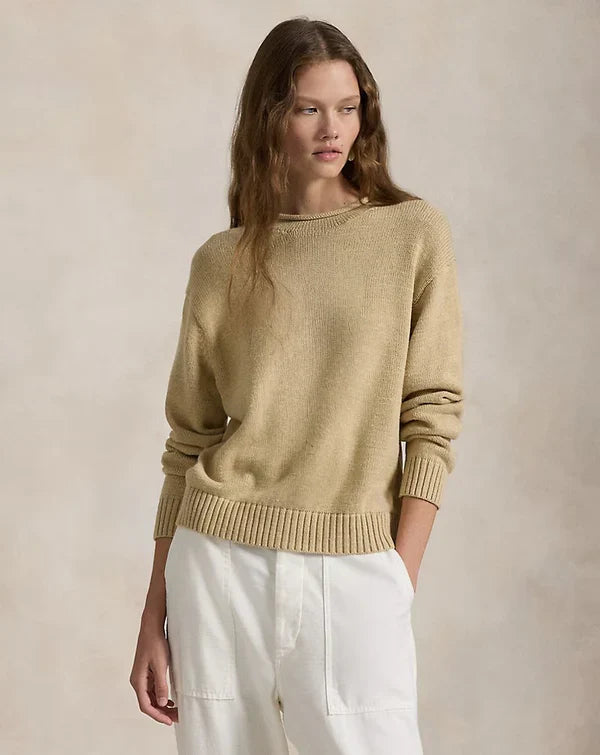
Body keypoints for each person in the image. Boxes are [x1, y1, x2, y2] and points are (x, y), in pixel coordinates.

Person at [130, 16, 464, 755]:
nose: (331, 128)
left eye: (347, 107)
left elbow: (432, 415)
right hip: (218, 564)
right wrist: (155, 613)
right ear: (269, 117)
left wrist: (397, 578)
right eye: (308, 108)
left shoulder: (413, 235)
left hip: (356, 567)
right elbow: (188, 440)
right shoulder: (221, 261)